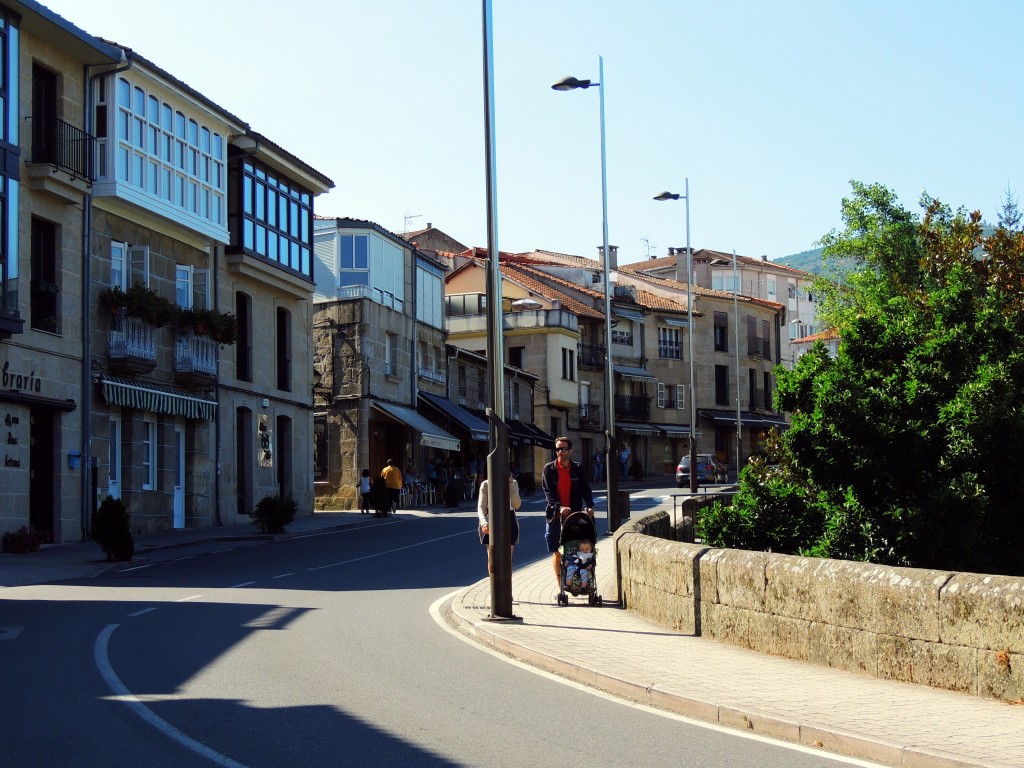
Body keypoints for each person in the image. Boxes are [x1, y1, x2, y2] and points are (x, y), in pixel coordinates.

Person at [541, 436, 594, 589]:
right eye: (557, 449)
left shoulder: (578, 468)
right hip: (555, 516)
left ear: (570, 451)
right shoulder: (549, 469)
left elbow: (585, 488)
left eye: (563, 449)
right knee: (556, 551)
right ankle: (561, 588)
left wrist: (589, 505)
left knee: (575, 549)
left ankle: (579, 582)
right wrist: (559, 508)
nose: (560, 452)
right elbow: (548, 493)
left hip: (574, 516)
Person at [477, 468, 523, 574]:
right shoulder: (486, 484)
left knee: (507, 560)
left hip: (509, 518)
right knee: (492, 559)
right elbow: (480, 507)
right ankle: (494, 587)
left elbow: (517, 505)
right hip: (491, 519)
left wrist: (511, 483)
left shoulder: (513, 483)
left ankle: (507, 588)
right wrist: (483, 522)